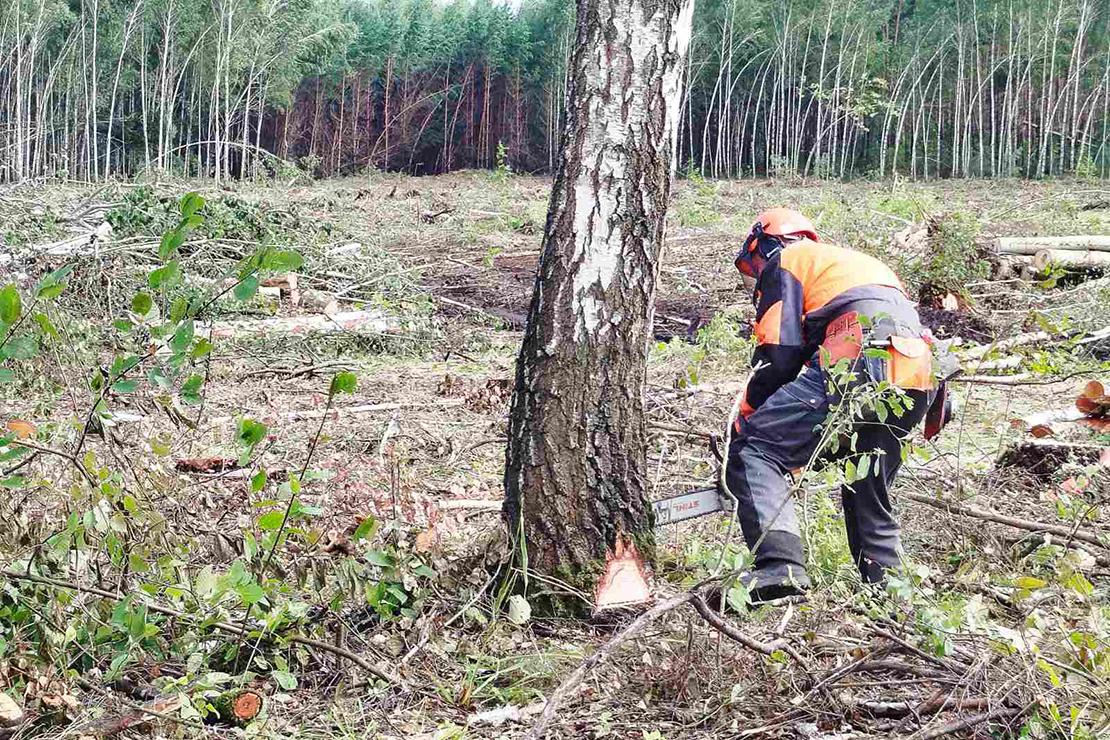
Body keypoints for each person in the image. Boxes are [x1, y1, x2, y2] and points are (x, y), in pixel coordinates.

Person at [726, 207, 949, 603]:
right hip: (917, 373)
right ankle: (890, 597)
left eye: (755, 263)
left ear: (767, 242)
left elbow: (779, 352)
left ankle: (780, 567)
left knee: (756, 449)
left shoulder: (789, 259)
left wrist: (748, 416)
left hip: (860, 356)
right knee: (866, 482)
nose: (757, 273)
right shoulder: (854, 265)